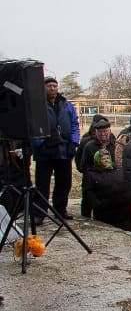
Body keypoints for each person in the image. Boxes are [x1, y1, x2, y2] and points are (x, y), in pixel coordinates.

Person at [31, 76, 80, 221]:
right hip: (45, 151)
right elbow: (32, 127)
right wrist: (40, 143)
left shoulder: (66, 105)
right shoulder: (37, 106)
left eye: (54, 86)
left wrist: (74, 142)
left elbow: (74, 124)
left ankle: (60, 210)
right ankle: (40, 213)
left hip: (64, 150)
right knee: (42, 184)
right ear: (43, 88)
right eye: (49, 86)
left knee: (64, 182)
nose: (52, 88)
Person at [81, 149, 131, 228]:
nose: (106, 160)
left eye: (107, 158)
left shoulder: (118, 170)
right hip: (104, 211)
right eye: (103, 159)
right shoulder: (91, 174)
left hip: (122, 210)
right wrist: (98, 204)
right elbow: (88, 194)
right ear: (97, 160)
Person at [77, 116, 116, 219]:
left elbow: (120, 163)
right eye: (100, 133)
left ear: (110, 131)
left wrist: (111, 166)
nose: (103, 135)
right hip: (93, 181)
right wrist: (97, 167)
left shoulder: (115, 145)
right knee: (88, 203)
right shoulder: (89, 146)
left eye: (105, 132)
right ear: (96, 133)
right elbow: (83, 166)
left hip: (111, 181)